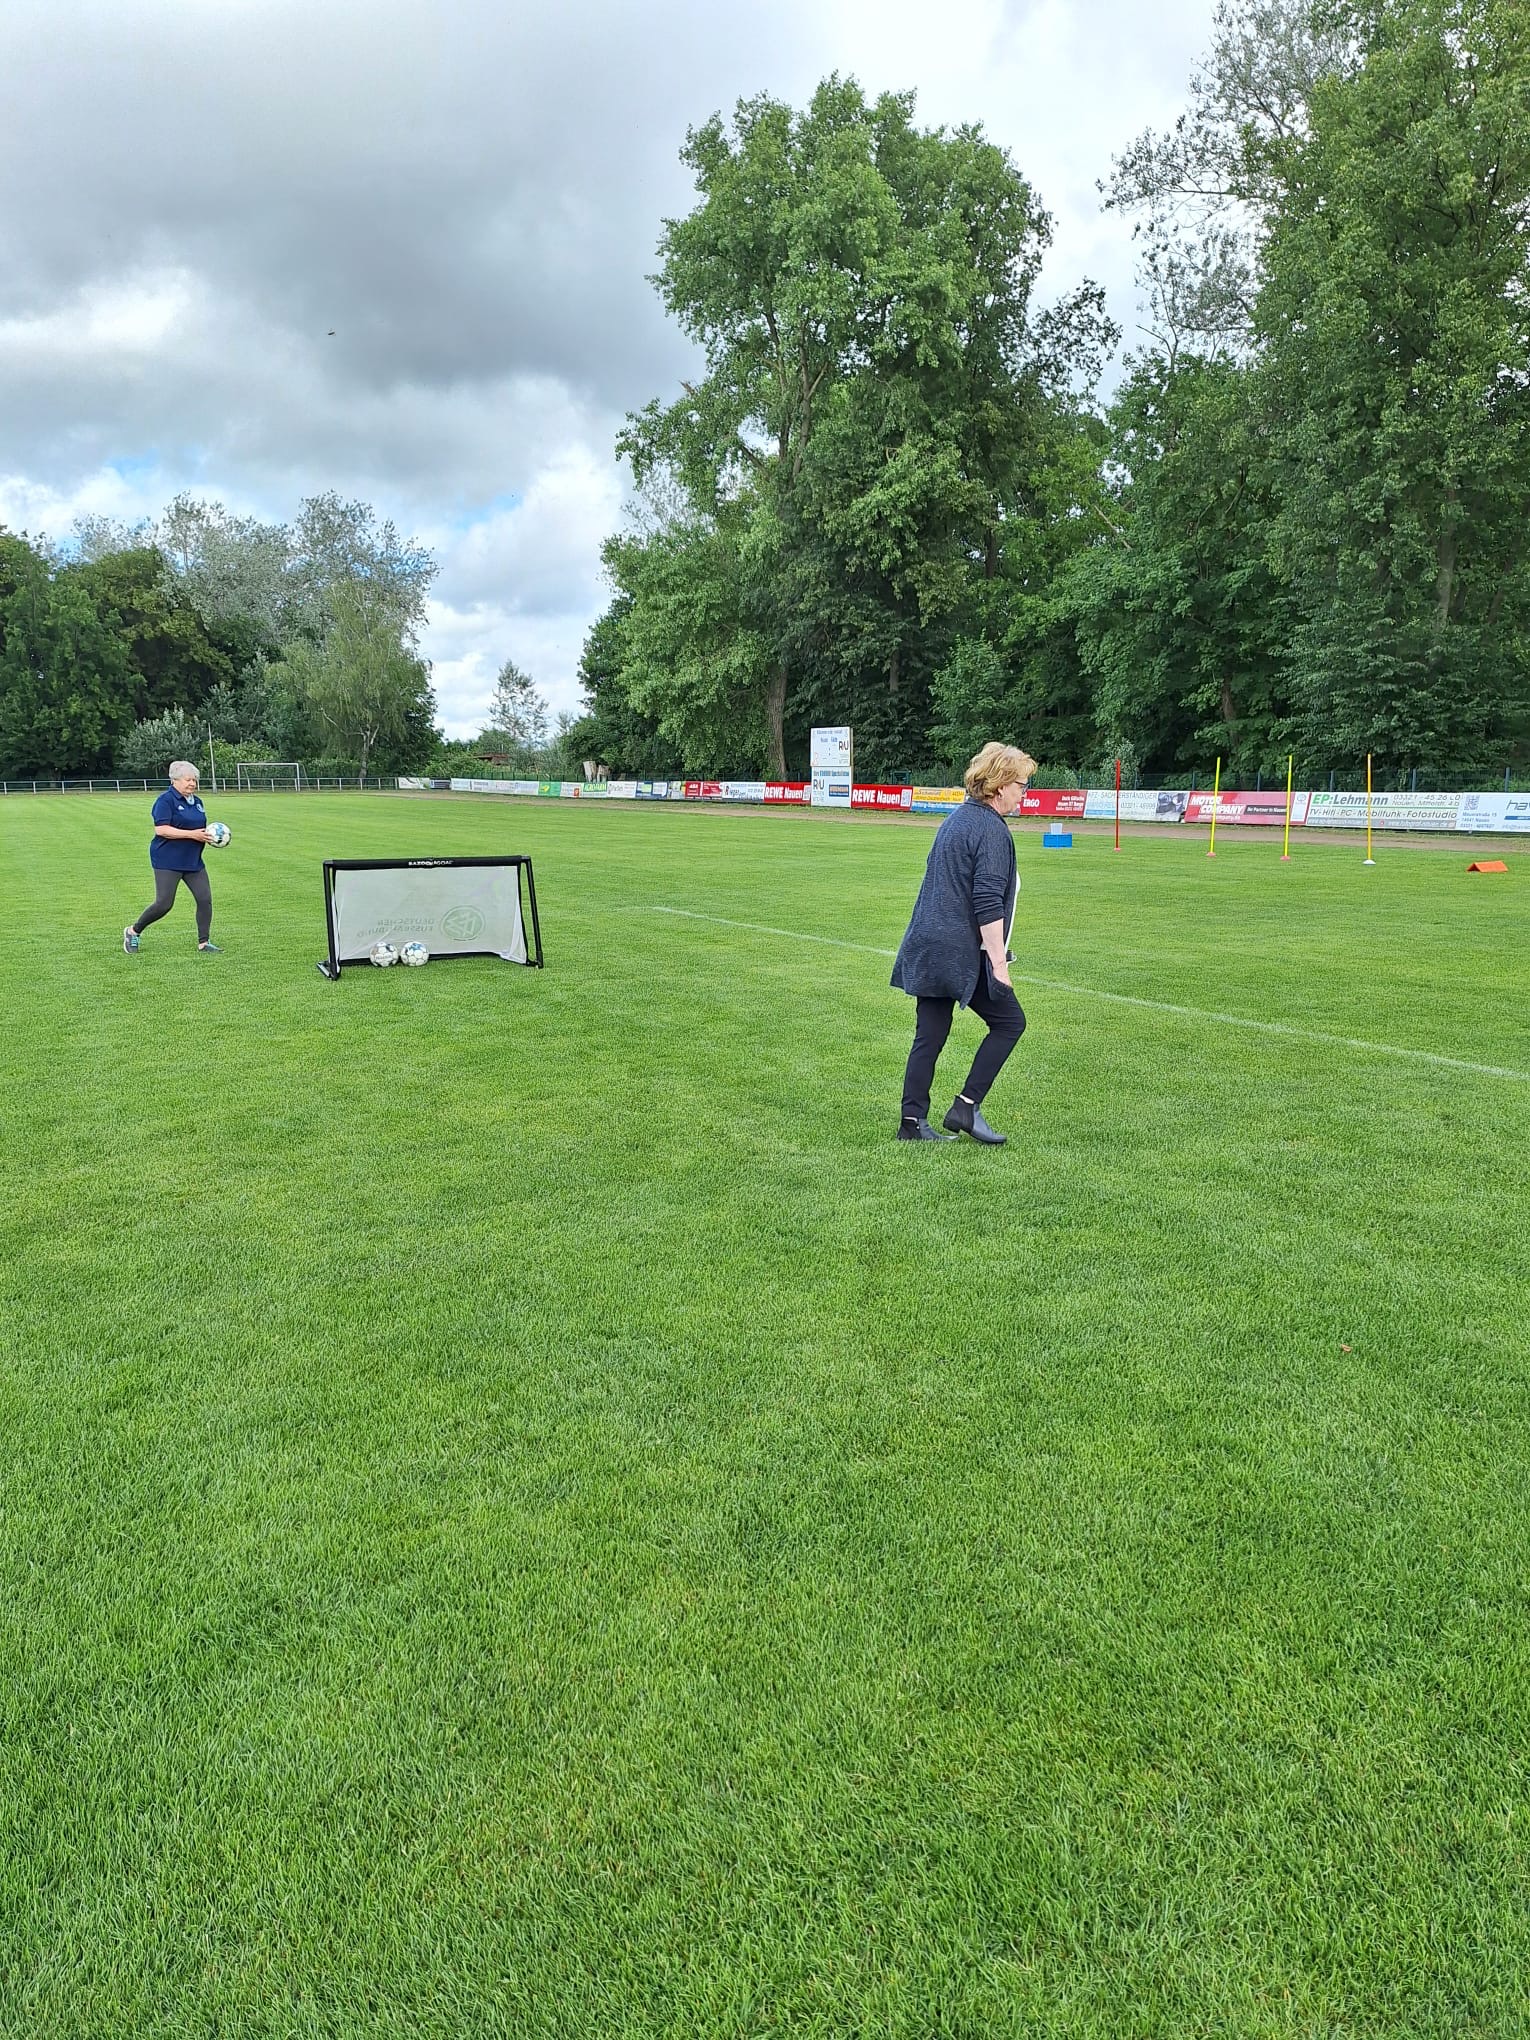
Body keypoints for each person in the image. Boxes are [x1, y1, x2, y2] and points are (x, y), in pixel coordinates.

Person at [891, 741, 1037, 1143]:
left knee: (931, 1032)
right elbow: (988, 902)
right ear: (1000, 785)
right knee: (1010, 1022)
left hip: (929, 943)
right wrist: (999, 964)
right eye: (1022, 784)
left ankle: (912, 1122)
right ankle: (966, 1107)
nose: (1025, 793)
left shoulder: (957, 819)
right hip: (956, 951)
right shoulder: (990, 829)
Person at [123, 761, 221, 954]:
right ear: (175, 780)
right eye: (188, 780)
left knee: (204, 899)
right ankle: (133, 931)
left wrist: (209, 837)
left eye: (194, 780)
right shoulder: (165, 801)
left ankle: (204, 942)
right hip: (167, 859)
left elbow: (200, 828)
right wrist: (193, 835)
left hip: (192, 860)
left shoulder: (198, 802)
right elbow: (162, 830)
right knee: (164, 904)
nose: (192, 783)